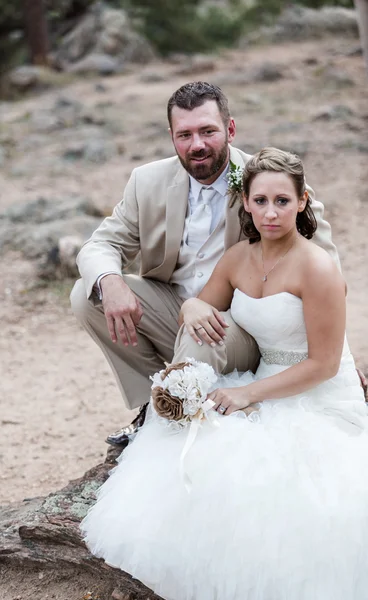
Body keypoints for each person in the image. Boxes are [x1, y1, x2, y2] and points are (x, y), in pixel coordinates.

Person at [80, 148, 368, 600]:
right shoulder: (239, 257)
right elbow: (204, 306)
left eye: (282, 201)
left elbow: (324, 364)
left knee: (265, 477)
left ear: (303, 201)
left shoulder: (317, 267)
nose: (270, 213)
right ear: (246, 205)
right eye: (260, 201)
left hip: (317, 392)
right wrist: (193, 304)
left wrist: (248, 394)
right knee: (202, 453)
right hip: (263, 373)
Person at [70, 82, 338, 446]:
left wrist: (336, 356)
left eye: (208, 131)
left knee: (203, 335)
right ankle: (156, 403)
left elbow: (328, 275)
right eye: (185, 134)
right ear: (172, 137)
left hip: (241, 327)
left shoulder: (266, 183)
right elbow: (101, 244)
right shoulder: (146, 181)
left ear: (229, 129)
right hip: (175, 309)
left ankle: (171, 422)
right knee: (89, 295)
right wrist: (111, 280)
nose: (197, 144)